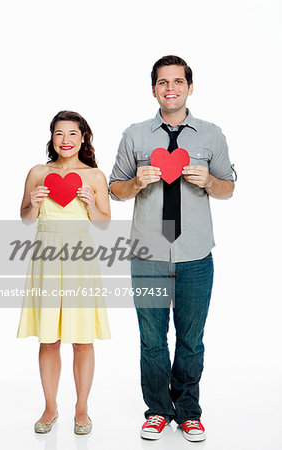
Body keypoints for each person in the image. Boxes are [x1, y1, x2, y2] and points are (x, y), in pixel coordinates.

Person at [109, 55, 235, 442]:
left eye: (178, 82)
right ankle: (158, 411)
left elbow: (229, 187)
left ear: (189, 87)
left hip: (195, 254)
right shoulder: (135, 135)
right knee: (151, 338)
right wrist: (137, 183)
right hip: (148, 254)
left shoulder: (212, 135)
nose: (171, 89)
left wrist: (210, 181)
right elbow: (115, 187)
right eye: (163, 83)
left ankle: (189, 410)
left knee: (191, 339)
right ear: (154, 90)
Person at [17, 110, 111, 434]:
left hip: (80, 262)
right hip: (46, 258)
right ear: (52, 137)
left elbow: (104, 223)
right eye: (60, 133)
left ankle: (81, 409)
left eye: (73, 133)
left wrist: (92, 204)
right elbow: (26, 217)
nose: (66, 140)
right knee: (49, 338)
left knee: (82, 340)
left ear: (83, 137)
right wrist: (31, 202)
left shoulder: (95, 176)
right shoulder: (38, 172)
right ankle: (50, 407)